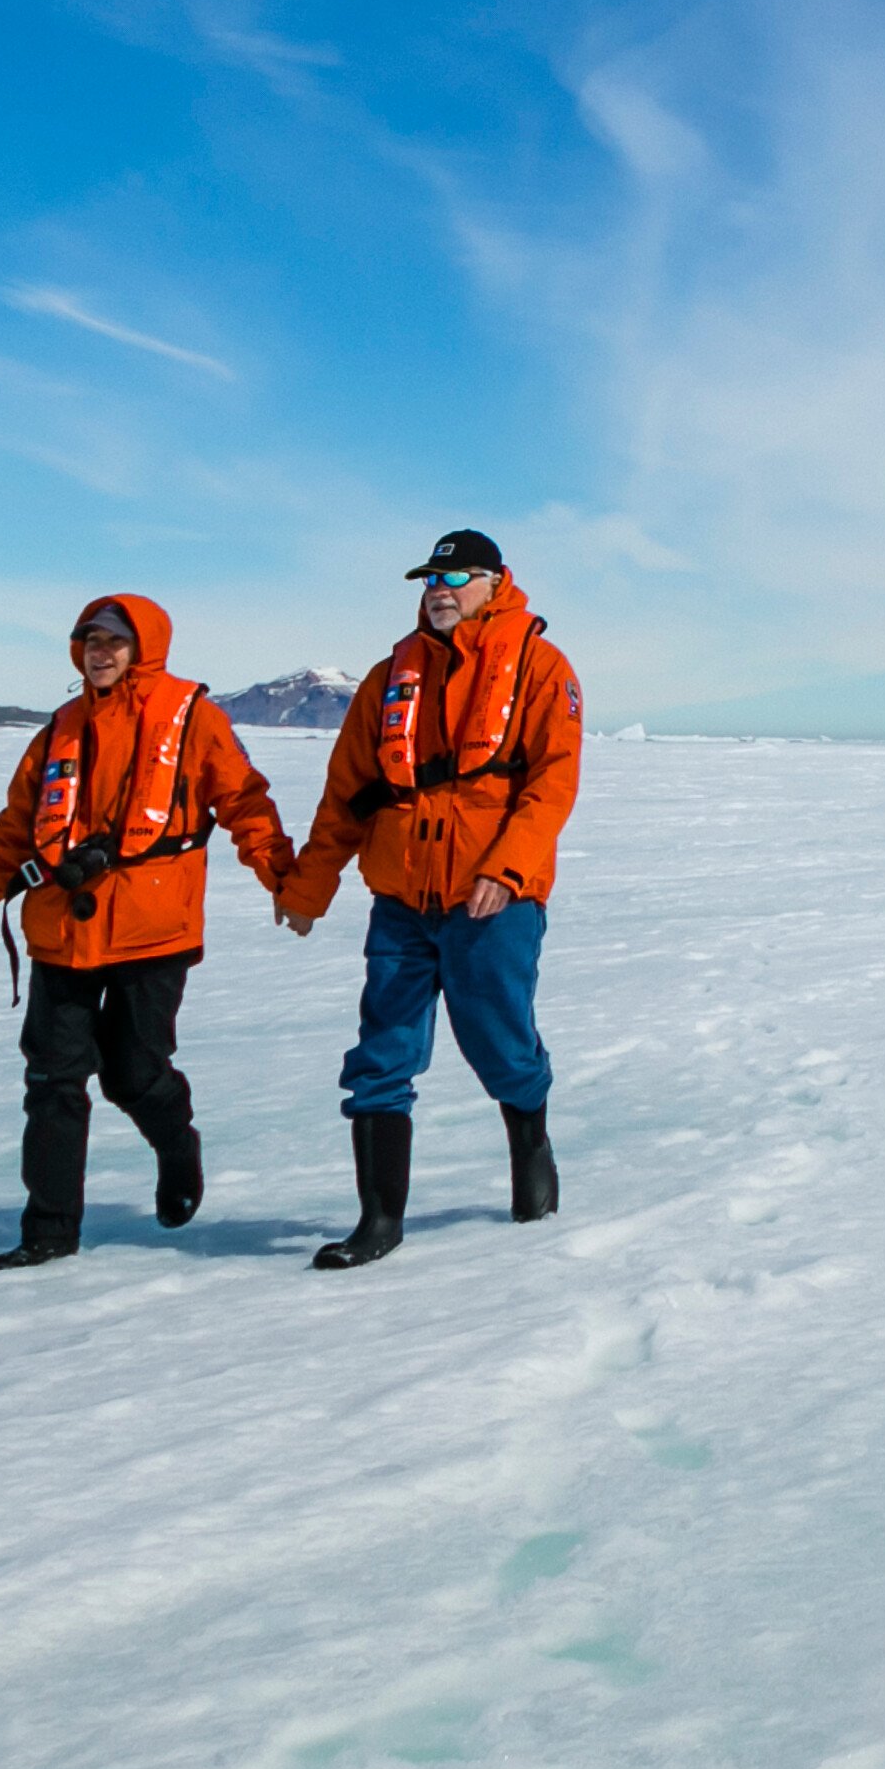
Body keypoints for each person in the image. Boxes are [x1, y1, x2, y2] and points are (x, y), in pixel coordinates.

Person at [0, 593, 294, 1272]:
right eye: (89, 640)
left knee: (132, 1073)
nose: (100, 651)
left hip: (153, 931)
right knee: (53, 1080)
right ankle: (51, 1230)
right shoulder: (58, 731)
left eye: (114, 641)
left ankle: (178, 1145)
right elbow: (13, 835)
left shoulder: (194, 720)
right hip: (61, 932)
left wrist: (283, 881)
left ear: (142, 648)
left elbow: (245, 802)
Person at [278, 529, 583, 1272]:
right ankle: (379, 1221)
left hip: (493, 903)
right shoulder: (389, 679)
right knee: (381, 1054)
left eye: (455, 577)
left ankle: (530, 1140)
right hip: (402, 901)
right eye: (429, 580)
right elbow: (347, 794)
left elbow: (552, 785)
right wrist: (310, 887)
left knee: (500, 1046)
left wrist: (506, 870)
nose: (438, 590)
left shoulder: (543, 668)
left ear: (495, 581)